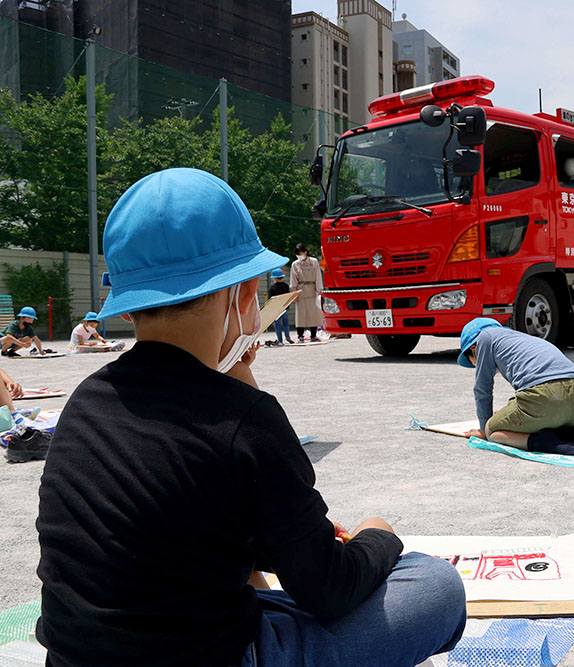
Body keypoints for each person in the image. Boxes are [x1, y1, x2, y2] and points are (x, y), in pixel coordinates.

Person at [35, 168, 465, 667]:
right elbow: (328, 589)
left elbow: (185, 527)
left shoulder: (87, 401)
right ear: (245, 295)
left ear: (131, 307)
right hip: (213, 655)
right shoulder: (244, 417)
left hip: (76, 657)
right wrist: (379, 535)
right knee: (435, 585)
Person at [459, 318, 574, 457]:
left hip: (545, 397)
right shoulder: (524, 339)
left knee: (492, 432)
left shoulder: (484, 337)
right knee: (550, 412)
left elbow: (482, 389)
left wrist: (484, 429)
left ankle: (543, 442)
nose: (476, 366)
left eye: (473, 363)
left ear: (473, 348)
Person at [290, 243, 323, 343]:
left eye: (300, 253)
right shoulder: (295, 264)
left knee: (314, 314)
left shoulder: (314, 262)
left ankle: (314, 335)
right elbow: (293, 279)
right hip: (301, 290)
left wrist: (319, 290)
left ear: (305, 252)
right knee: (301, 314)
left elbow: (318, 276)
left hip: (312, 289)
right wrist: (294, 293)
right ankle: (300, 335)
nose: (299, 256)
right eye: (297, 254)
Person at [267, 268, 292, 346]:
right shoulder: (286, 286)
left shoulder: (272, 288)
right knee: (286, 324)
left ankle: (280, 340)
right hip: (285, 307)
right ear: (283, 277)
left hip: (276, 309)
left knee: (277, 325)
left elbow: (270, 299)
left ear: (274, 278)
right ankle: (287, 337)